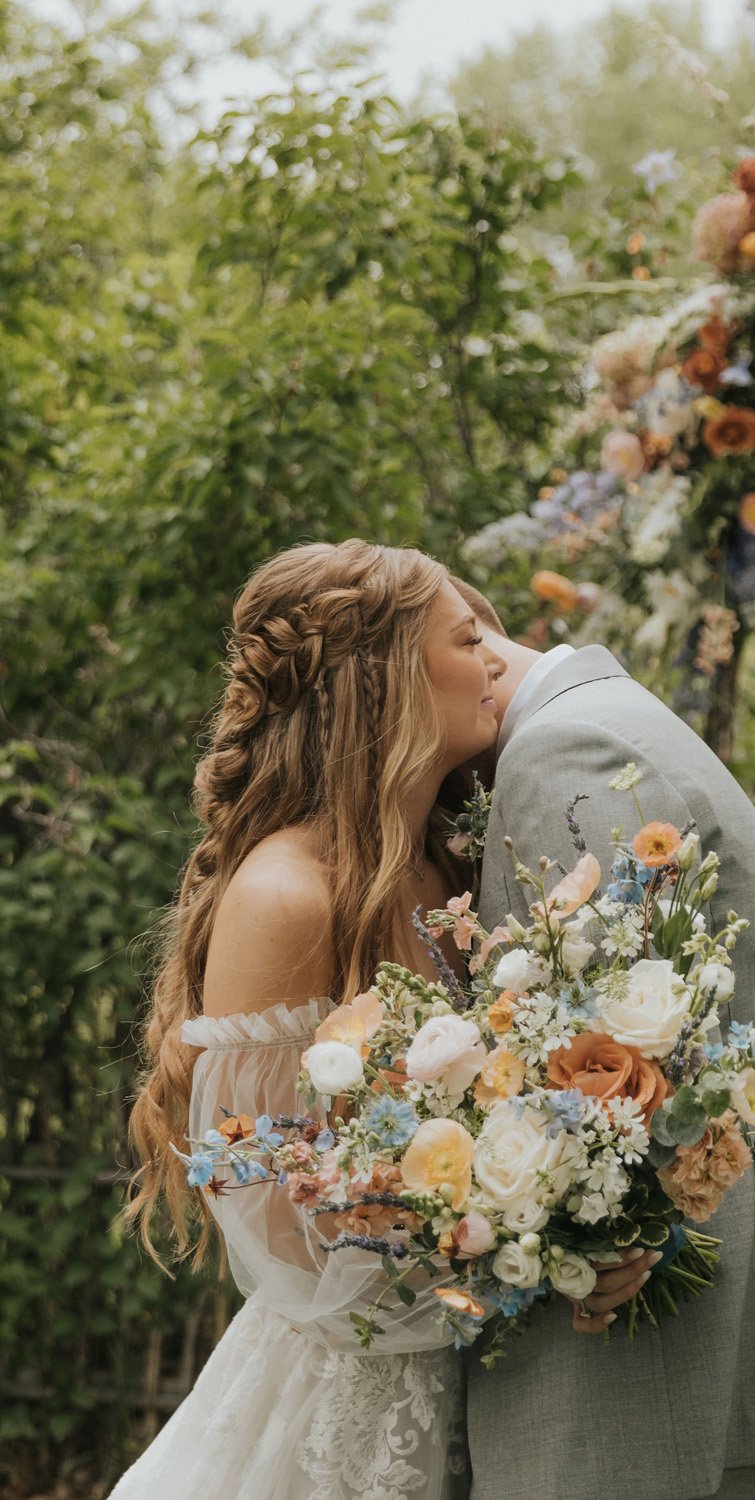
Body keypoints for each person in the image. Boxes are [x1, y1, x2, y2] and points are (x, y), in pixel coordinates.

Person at [450, 583, 755, 1500]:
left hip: (637, 1336)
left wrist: (585, 1241)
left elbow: (618, 1062)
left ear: (476, 647)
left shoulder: (565, 749)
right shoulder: (607, 719)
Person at [112, 539, 508, 1500]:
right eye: (468, 636)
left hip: (492, 1372)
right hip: (355, 1392)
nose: (501, 653)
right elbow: (272, 1213)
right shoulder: (289, 895)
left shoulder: (461, 860)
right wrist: (492, 1250)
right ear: (385, 682)